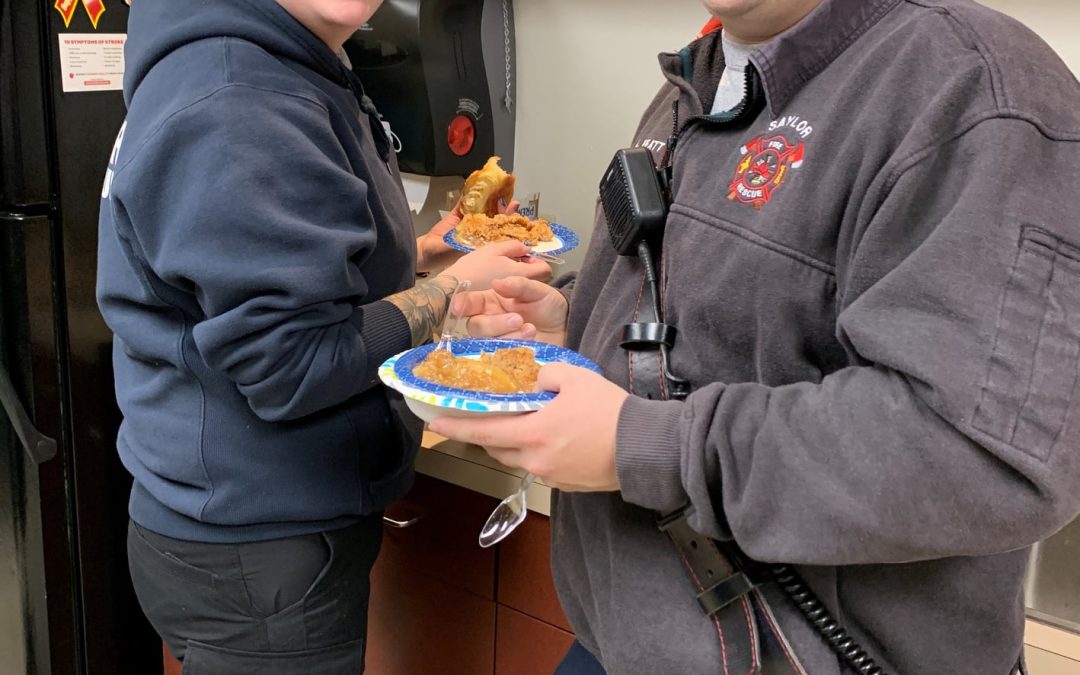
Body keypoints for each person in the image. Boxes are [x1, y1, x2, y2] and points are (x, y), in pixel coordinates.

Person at [430, 0, 1080, 673]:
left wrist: (645, 447)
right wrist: (576, 323)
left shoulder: (973, 89)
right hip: (619, 641)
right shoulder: (697, 80)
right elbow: (717, 324)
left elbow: (982, 453)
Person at [95, 0, 549, 671]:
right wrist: (452, 289)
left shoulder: (273, 58)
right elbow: (294, 365)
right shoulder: (242, 99)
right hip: (262, 556)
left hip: (215, 523)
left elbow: (260, 258)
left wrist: (422, 249)